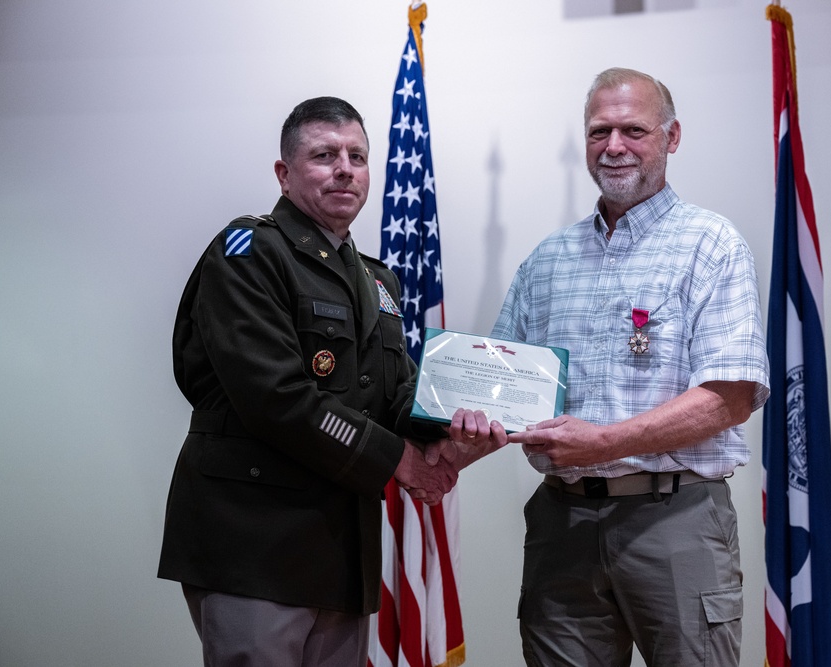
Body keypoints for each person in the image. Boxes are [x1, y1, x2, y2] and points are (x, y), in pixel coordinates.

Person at [450, 68, 770, 666]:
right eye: (600, 131)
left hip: (676, 523)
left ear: (672, 138)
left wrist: (602, 443)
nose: (614, 146)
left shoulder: (711, 244)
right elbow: (500, 394)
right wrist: (436, 458)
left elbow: (729, 396)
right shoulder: (547, 261)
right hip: (561, 525)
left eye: (633, 130)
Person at [157, 96, 458, 667]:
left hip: (341, 547)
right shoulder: (248, 252)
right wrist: (402, 461)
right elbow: (277, 398)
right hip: (256, 544)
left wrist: (454, 432)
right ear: (284, 173)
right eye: (324, 155)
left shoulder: (377, 279)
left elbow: (395, 394)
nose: (346, 168)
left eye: (358, 156)